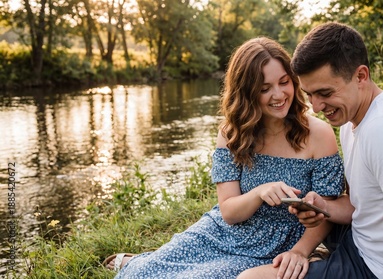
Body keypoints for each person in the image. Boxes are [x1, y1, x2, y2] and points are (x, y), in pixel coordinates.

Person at [102, 37, 345, 278]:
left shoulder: (318, 134)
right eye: (264, 89)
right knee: (145, 272)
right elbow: (228, 212)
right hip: (224, 231)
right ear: (247, 92)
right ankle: (143, 261)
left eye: (284, 82)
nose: (279, 94)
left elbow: (327, 212)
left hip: (281, 245)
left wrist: (300, 252)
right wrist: (260, 192)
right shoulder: (231, 133)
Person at [238, 22, 383, 279]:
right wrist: (323, 205)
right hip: (358, 241)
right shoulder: (353, 120)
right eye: (310, 94)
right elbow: (360, 206)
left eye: (324, 92)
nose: (315, 107)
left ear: (360, 76)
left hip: (379, 269)